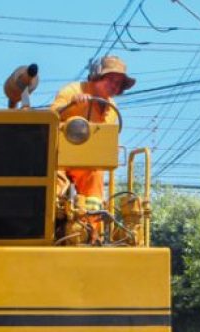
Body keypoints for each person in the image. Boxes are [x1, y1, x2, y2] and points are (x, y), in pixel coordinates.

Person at [51, 55, 136, 224]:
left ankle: (91, 230)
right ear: (97, 76)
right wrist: (71, 105)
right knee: (55, 184)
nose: (114, 86)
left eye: (118, 83)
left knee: (95, 175)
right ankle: (50, 221)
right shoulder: (72, 91)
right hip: (57, 158)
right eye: (111, 80)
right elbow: (50, 116)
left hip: (86, 163)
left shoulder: (112, 109)